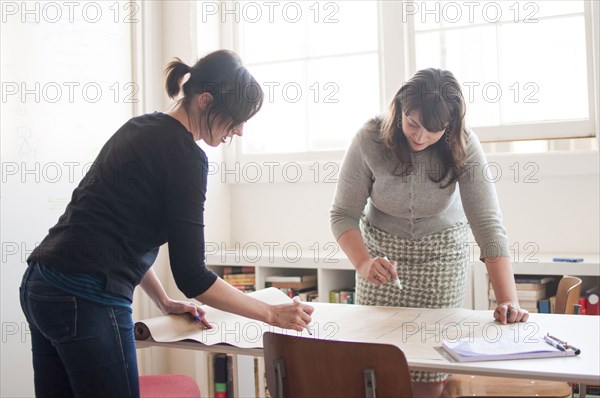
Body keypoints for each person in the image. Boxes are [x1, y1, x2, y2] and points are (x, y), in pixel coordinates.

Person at [20, 50, 313, 398]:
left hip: (41, 285)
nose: (240, 130)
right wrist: (270, 313)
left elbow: (116, 229)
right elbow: (193, 277)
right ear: (205, 101)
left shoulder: (141, 127)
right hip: (87, 297)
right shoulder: (187, 157)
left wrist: (162, 300)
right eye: (235, 118)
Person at [330, 68, 528, 398]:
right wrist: (363, 263)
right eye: (413, 124)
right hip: (381, 261)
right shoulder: (370, 138)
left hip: (441, 260)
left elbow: (488, 223)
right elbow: (342, 214)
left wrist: (508, 299)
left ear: (450, 126)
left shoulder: (464, 145)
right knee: (374, 369)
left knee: (429, 373)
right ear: (399, 110)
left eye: (434, 130)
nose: (421, 137)